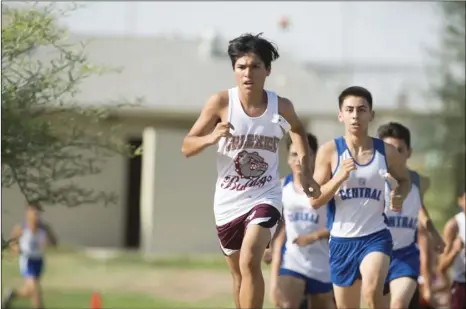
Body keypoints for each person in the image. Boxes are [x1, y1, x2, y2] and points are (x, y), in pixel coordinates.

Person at [181, 33, 321, 309]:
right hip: (227, 202)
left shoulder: (280, 105)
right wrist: (211, 138)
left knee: (250, 260)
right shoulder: (221, 103)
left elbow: (298, 130)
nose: (248, 73)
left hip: (265, 196)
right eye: (241, 66)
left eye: (255, 66)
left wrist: (305, 170)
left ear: (267, 70)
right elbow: (187, 146)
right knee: (238, 275)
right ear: (234, 70)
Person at [310, 86, 412, 309]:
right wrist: (338, 177)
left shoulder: (386, 151)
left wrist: (398, 196)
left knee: (371, 291)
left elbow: (405, 180)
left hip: (375, 236)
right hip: (340, 241)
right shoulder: (329, 151)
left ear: (371, 115)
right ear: (341, 115)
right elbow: (315, 199)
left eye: (361, 109)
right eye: (349, 110)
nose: (355, 115)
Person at [377, 122, 445, 309]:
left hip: (405, 255)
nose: (395, 156)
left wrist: (432, 230)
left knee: (398, 304)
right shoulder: (372, 179)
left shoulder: (419, 181)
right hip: (375, 255)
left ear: (409, 152)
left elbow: (418, 206)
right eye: (389, 150)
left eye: (399, 150)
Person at [269, 133, 335, 309]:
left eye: (305, 154)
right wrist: (268, 248)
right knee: (286, 304)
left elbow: (340, 225)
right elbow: (278, 228)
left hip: (323, 264)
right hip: (293, 261)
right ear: (288, 159)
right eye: (294, 154)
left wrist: (314, 236)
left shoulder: (327, 188)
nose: (299, 160)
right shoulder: (282, 187)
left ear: (315, 157)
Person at [2, 203, 58, 309]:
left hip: (39, 260)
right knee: (36, 290)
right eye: (33, 212)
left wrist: (49, 242)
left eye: (38, 212)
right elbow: (11, 242)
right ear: (27, 213)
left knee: (29, 291)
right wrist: (16, 248)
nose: (36, 215)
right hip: (27, 260)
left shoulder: (44, 228)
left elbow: (54, 242)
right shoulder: (21, 227)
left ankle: (13, 295)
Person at [437, 190, 465, 309]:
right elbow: (441, 267)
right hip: (461, 286)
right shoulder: (454, 225)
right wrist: (455, 251)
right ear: (460, 201)